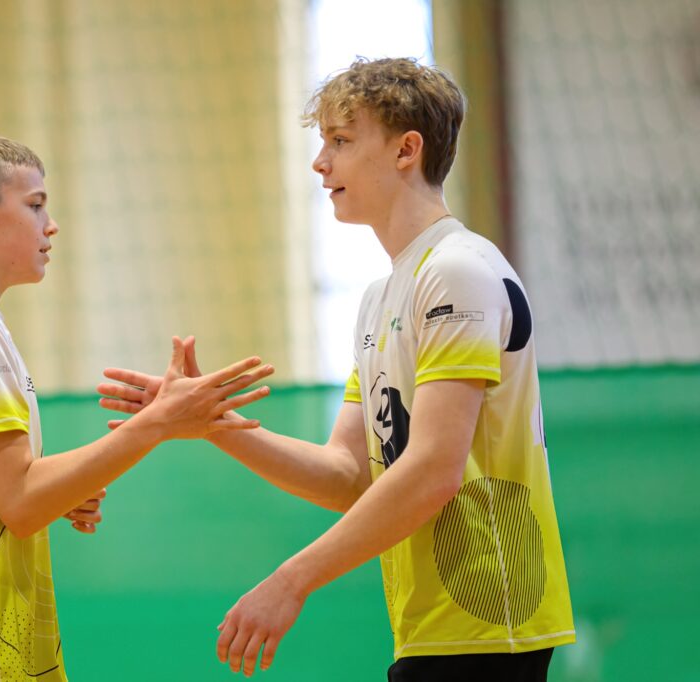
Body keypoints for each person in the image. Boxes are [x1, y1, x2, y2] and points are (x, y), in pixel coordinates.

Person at [98, 58, 575, 681]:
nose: (320, 164)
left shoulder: (456, 271)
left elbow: (434, 470)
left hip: (490, 620)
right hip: (432, 632)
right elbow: (349, 475)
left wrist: (291, 580)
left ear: (406, 150)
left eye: (341, 141)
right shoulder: (381, 298)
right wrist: (210, 421)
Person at [0, 134, 274, 681]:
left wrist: (58, 488)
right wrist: (158, 422)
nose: (52, 225)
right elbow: (20, 502)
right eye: (36, 205)